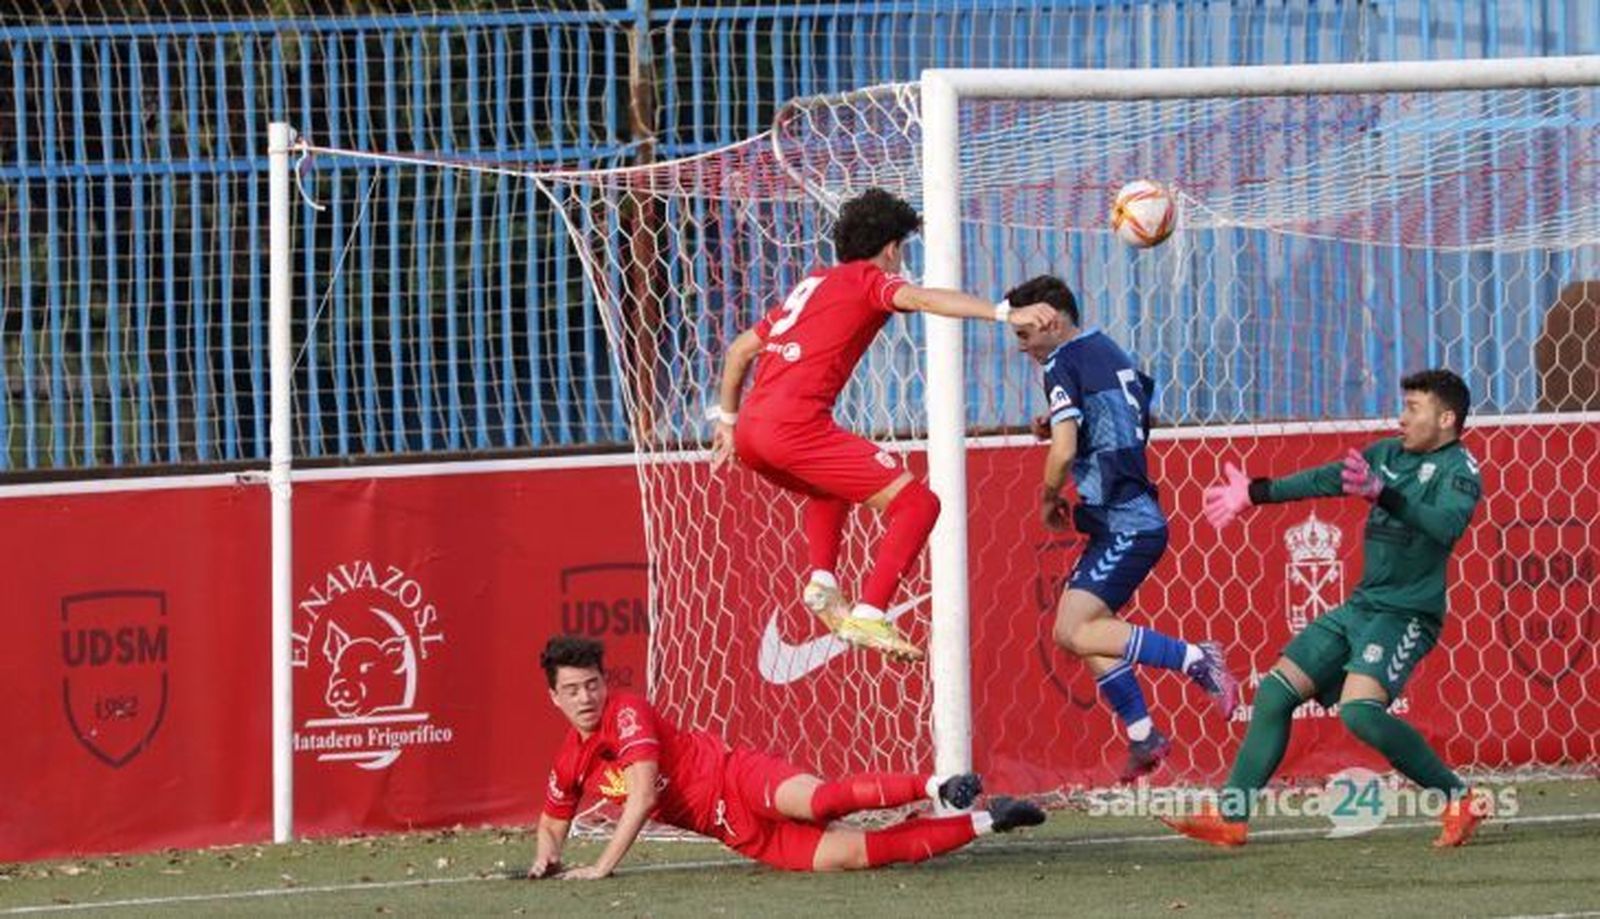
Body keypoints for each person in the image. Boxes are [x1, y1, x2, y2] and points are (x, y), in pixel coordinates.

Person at [708, 187, 1059, 661]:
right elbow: (925, 300)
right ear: (891, 248)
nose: (900, 262)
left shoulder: (811, 284)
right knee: (919, 504)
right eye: (902, 251)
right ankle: (871, 614)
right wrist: (1003, 311)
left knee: (830, 486)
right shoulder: (870, 280)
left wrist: (728, 424)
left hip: (752, 432)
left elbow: (739, 351)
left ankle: (823, 581)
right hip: (794, 430)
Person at [1162, 368, 1492, 847]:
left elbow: (1445, 527)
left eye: (1413, 409)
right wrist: (1254, 492)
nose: (1401, 418)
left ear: (1446, 418)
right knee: (1274, 694)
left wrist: (1386, 496)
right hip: (1361, 607)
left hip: (1406, 615)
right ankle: (1230, 816)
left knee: (1360, 713)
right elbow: (1327, 478)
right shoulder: (1387, 454)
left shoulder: (1460, 470)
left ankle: (1458, 797)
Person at [529, 635, 1046, 878]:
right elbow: (552, 822)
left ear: (604, 683)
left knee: (819, 803)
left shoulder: (626, 712)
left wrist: (600, 867)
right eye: (572, 690)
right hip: (736, 831)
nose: (585, 697)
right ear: (553, 698)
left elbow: (641, 796)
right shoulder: (570, 761)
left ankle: (938, 786)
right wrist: (545, 853)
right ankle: (987, 820)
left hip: (736, 777)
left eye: (592, 684)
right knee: (860, 856)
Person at [1006, 274, 1239, 782]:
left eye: (1024, 334)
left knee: (1072, 629)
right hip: (1123, 516)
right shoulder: (1108, 350)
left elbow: (1064, 452)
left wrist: (1048, 500)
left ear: (1051, 318)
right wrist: (1062, 421)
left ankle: (1198, 658)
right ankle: (1143, 736)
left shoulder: (1061, 362)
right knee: (1085, 630)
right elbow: (1129, 419)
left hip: (1127, 521)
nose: (1021, 346)